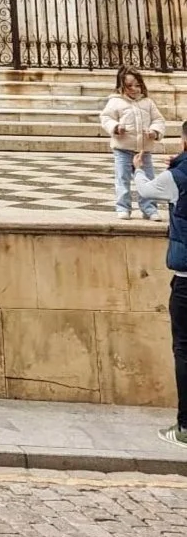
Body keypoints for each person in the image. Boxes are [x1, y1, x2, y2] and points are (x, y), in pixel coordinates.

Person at [133, 123, 187, 448]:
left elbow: (147, 191)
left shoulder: (178, 176)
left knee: (184, 349)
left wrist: (139, 169)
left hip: (186, 280)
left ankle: (185, 426)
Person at [101, 66, 168, 220]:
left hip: (143, 151)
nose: (134, 89)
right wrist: (116, 127)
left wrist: (154, 131)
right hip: (123, 149)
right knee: (122, 178)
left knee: (148, 179)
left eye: (137, 85)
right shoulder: (115, 102)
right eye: (129, 86)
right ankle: (123, 207)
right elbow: (106, 118)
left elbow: (158, 120)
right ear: (121, 86)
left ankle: (149, 208)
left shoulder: (148, 102)